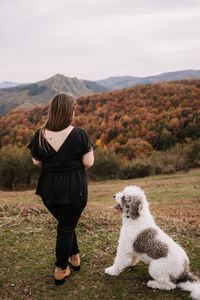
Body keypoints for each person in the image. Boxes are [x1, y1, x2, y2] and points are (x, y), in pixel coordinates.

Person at [27, 92, 94, 285]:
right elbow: (88, 163)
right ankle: (60, 269)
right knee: (65, 228)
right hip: (75, 190)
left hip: (49, 191)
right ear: (70, 111)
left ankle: (74, 257)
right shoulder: (80, 134)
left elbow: (36, 161)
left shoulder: (39, 134)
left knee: (66, 224)